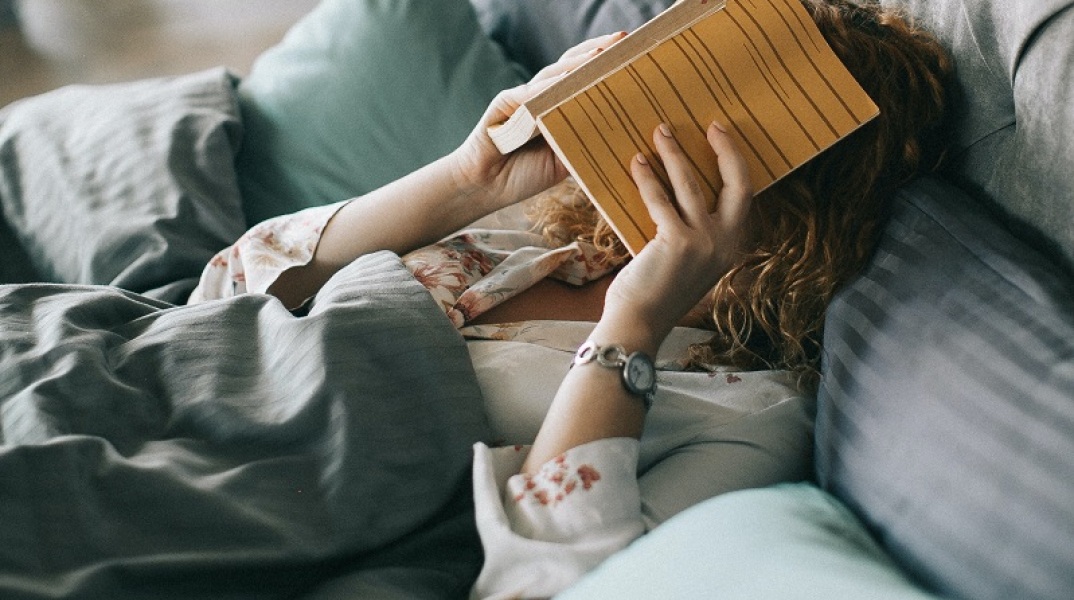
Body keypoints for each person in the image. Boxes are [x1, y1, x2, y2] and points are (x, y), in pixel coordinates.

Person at [190, 0, 952, 596]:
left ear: (801, 199)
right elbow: (230, 285)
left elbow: (546, 583)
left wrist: (637, 321)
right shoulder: (545, 249)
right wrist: (463, 183)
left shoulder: (752, 416)